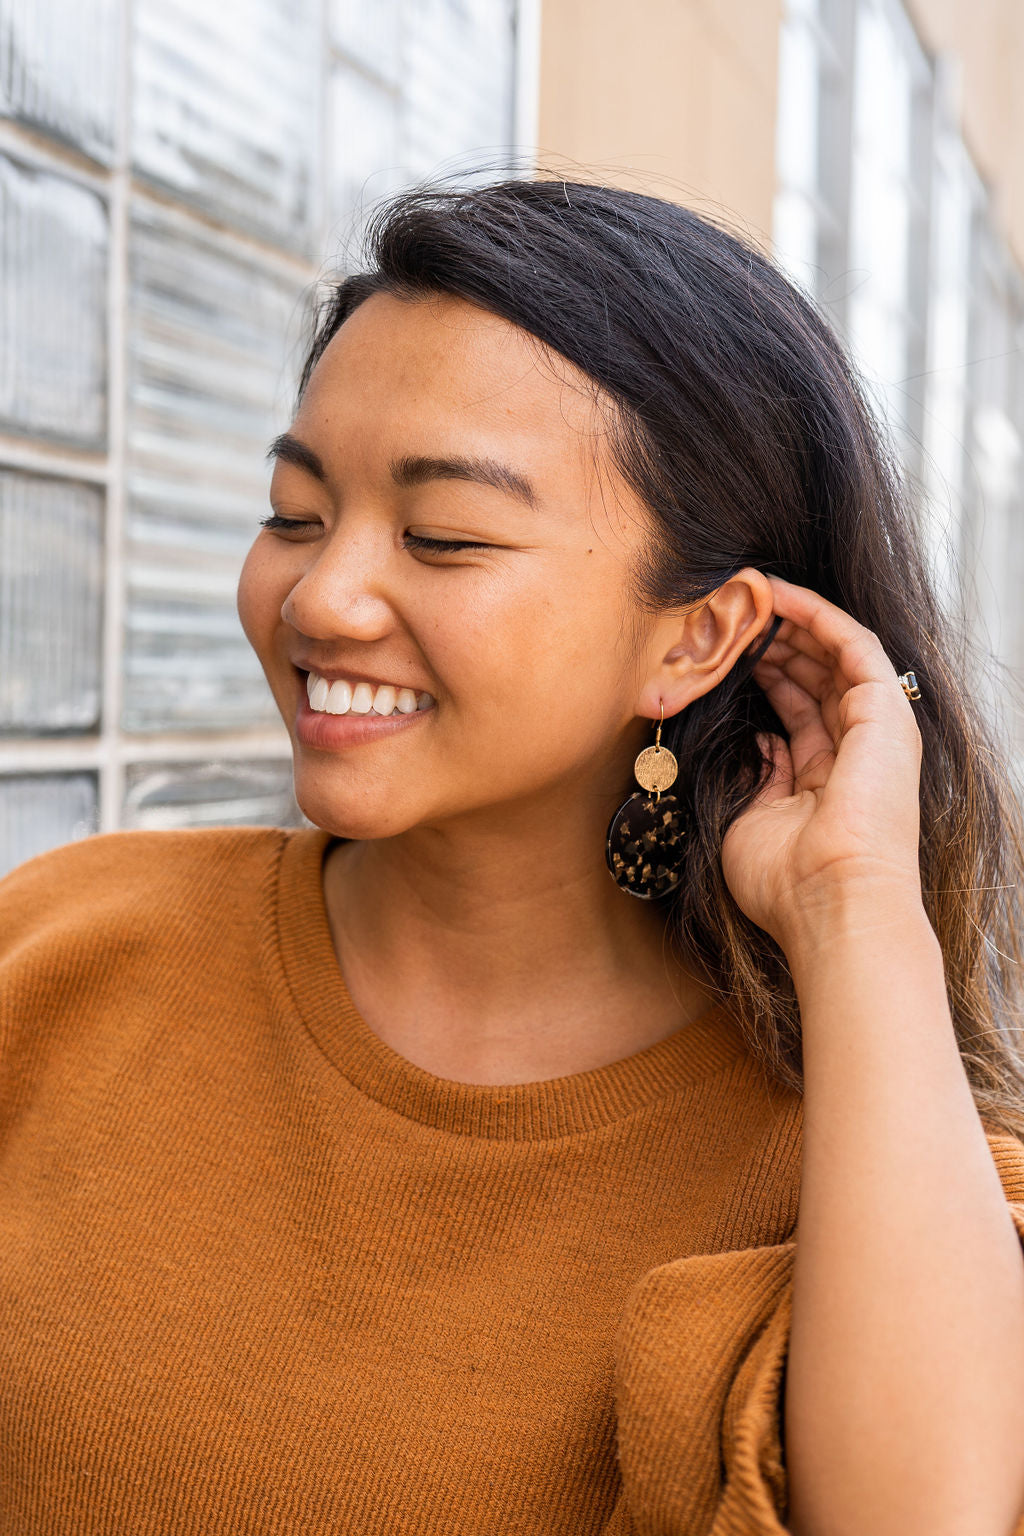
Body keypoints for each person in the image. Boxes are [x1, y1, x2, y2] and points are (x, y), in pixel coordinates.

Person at [2, 177, 1024, 1536]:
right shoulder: (63, 946)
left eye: (443, 537)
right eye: (294, 514)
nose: (320, 596)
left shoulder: (880, 1155)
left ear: (696, 639)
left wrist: (856, 909)